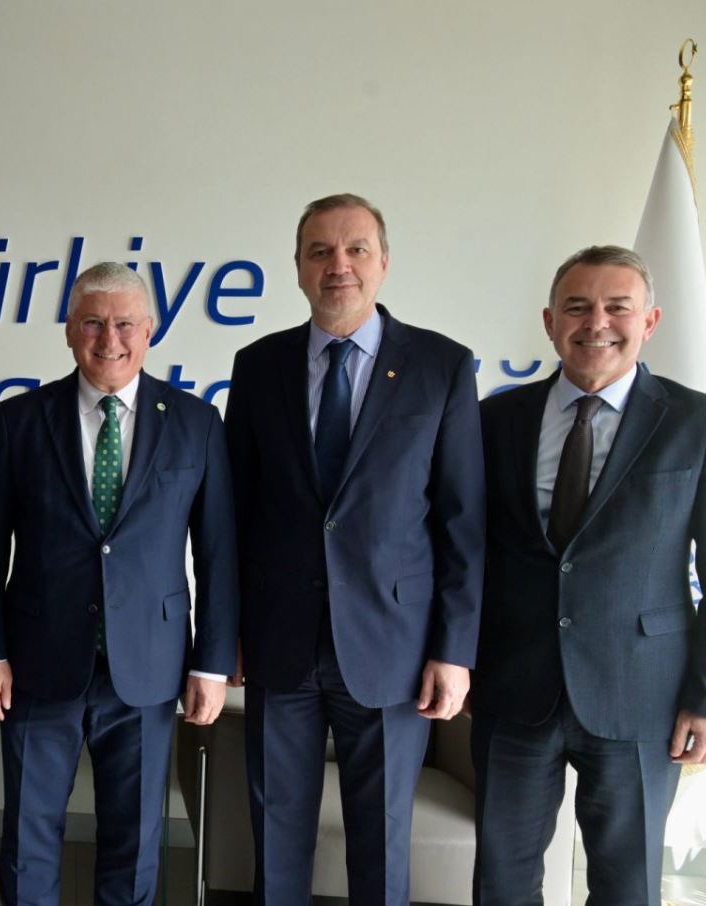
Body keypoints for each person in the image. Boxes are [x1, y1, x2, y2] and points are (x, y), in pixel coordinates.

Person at [224, 194, 485, 904]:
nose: (338, 265)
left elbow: (462, 523)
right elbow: (235, 515)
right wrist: (227, 633)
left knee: (382, 840)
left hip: (393, 645)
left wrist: (454, 650)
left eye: (356, 249)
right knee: (276, 835)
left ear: (384, 263)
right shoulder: (258, 366)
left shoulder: (441, 366)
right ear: (298, 268)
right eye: (320, 252)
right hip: (278, 642)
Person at [473, 244, 706, 904]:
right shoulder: (493, 421)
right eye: (577, 307)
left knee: (627, 888)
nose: (596, 322)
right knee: (501, 884)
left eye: (617, 307)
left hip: (644, 694)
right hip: (514, 688)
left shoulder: (701, 424)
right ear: (550, 322)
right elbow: (463, 552)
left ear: (649, 321)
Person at [0, 261, 238, 906]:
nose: (109, 339)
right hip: (36, 664)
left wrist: (211, 664)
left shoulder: (196, 423)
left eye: (124, 324)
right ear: (68, 330)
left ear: (149, 330)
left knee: (135, 842)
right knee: (28, 837)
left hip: (149, 669)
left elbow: (219, 554)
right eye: (92, 323)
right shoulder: (21, 419)